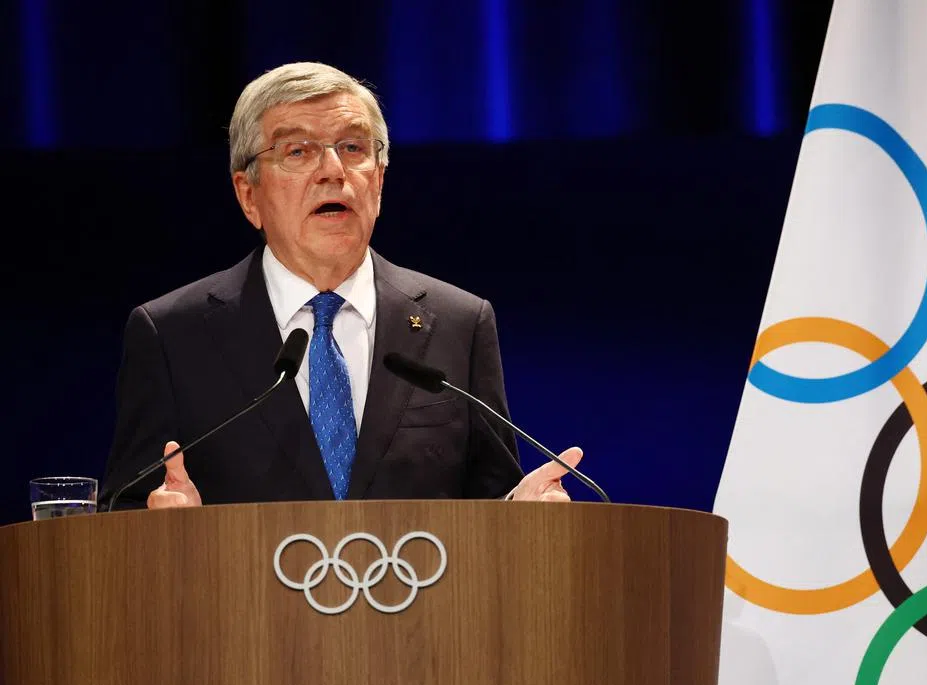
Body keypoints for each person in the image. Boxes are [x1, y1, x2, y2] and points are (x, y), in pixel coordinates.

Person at [100, 61, 581, 509]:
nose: (333, 171)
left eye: (353, 148)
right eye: (298, 151)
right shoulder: (172, 335)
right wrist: (160, 529)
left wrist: (522, 513)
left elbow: (491, 501)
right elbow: (123, 518)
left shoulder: (460, 323)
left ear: (379, 181)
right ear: (248, 195)